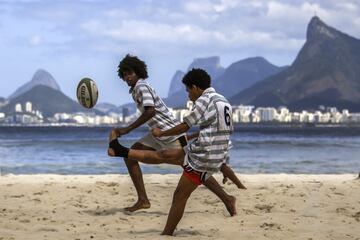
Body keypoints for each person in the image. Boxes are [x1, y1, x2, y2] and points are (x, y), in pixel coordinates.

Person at [108, 68, 240, 235]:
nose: (127, 77)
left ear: (195, 87)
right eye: (124, 74)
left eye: (187, 90)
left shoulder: (143, 87)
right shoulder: (222, 99)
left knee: (180, 175)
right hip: (172, 138)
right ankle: (143, 199)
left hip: (170, 133)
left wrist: (127, 129)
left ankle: (225, 200)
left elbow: (153, 112)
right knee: (183, 169)